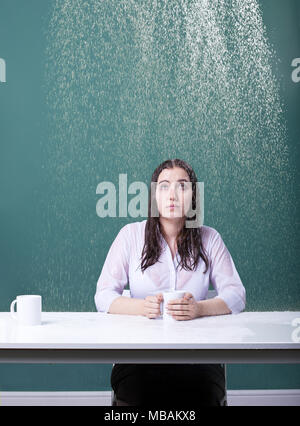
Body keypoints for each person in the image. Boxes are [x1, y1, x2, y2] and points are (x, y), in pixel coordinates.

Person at [95, 158, 246, 406]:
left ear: (194, 197)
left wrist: (200, 308)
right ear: (154, 196)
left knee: (204, 398)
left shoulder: (210, 238)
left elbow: (237, 295)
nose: (173, 195)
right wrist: (141, 307)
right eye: (164, 186)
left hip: (198, 360)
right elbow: (103, 295)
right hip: (139, 359)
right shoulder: (130, 236)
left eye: (182, 186)